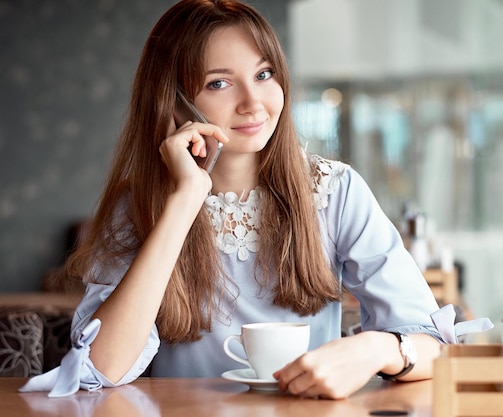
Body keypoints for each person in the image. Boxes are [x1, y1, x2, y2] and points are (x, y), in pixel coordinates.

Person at [20, 0, 456, 400]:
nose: (253, 103)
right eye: (219, 83)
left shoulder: (335, 190)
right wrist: (186, 199)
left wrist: (375, 349)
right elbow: (102, 368)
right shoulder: (138, 205)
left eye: (264, 75)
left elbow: (435, 345)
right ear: (175, 104)